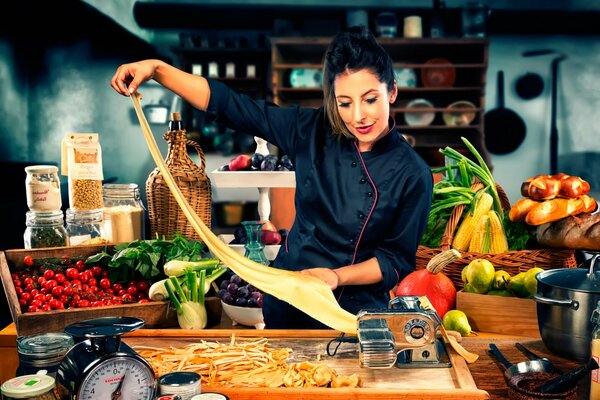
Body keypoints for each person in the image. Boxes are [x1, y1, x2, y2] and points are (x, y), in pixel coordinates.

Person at [111, 26, 433, 329]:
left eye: (370, 99)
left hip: (352, 315)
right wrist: (157, 70)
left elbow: (394, 261)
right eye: (344, 103)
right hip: (287, 302)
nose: (358, 116)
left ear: (391, 91)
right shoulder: (310, 130)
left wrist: (336, 277)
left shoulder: (413, 174)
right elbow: (231, 105)